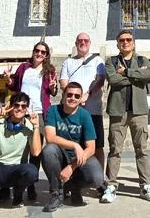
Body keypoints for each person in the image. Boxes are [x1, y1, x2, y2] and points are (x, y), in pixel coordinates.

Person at [100, 29, 150, 204]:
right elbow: (113, 80)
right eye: (121, 40)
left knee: (142, 150)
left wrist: (125, 73)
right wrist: (135, 76)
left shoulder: (142, 60)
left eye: (128, 40)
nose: (125, 42)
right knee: (115, 150)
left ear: (133, 42)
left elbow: (147, 75)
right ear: (117, 43)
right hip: (118, 111)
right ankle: (111, 185)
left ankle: (145, 185)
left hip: (138, 111)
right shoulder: (111, 61)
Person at [4, 41, 58, 201]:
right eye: (37, 51)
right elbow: (14, 86)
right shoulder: (23, 67)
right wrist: (8, 80)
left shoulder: (49, 70)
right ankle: (16, 182)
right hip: (21, 112)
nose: (40, 54)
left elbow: (52, 92)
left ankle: (31, 184)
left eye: (43, 52)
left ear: (46, 55)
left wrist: (54, 87)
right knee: (20, 148)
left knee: (36, 151)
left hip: (39, 114)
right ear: (33, 51)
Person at [41, 82, 106, 212]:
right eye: (69, 94)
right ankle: (56, 194)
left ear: (81, 98)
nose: (73, 98)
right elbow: (50, 137)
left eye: (77, 96)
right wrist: (74, 145)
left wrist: (71, 167)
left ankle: (74, 187)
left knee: (97, 178)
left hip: (79, 158)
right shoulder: (53, 111)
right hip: (60, 154)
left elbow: (91, 148)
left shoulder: (85, 115)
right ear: (64, 95)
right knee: (48, 151)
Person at [59, 32, 106, 170]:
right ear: (76, 43)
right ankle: (70, 180)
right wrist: (75, 98)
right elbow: (63, 82)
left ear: (90, 43)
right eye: (80, 40)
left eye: (86, 40)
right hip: (72, 112)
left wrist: (88, 94)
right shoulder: (68, 62)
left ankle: (99, 180)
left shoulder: (98, 61)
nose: (83, 42)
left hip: (93, 111)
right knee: (70, 145)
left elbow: (100, 80)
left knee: (97, 146)